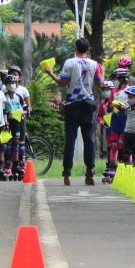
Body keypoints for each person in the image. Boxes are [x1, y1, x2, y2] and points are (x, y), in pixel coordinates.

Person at [41, 37, 103, 186]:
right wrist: (103, 71)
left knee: (71, 139)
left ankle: (67, 171)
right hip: (88, 105)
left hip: (72, 105)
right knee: (89, 139)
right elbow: (99, 85)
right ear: (88, 50)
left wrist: (51, 73)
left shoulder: (69, 63)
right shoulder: (95, 64)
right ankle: (90, 170)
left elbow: (63, 82)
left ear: (75, 48)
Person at [3, 71, 30, 179]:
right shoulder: (3, 96)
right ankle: (7, 164)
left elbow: (26, 110)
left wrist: (19, 113)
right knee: (7, 145)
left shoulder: (19, 96)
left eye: (13, 82)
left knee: (17, 145)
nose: (11, 84)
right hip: (7, 122)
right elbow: (2, 109)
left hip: (17, 122)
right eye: (9, 83)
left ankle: (16, 165)